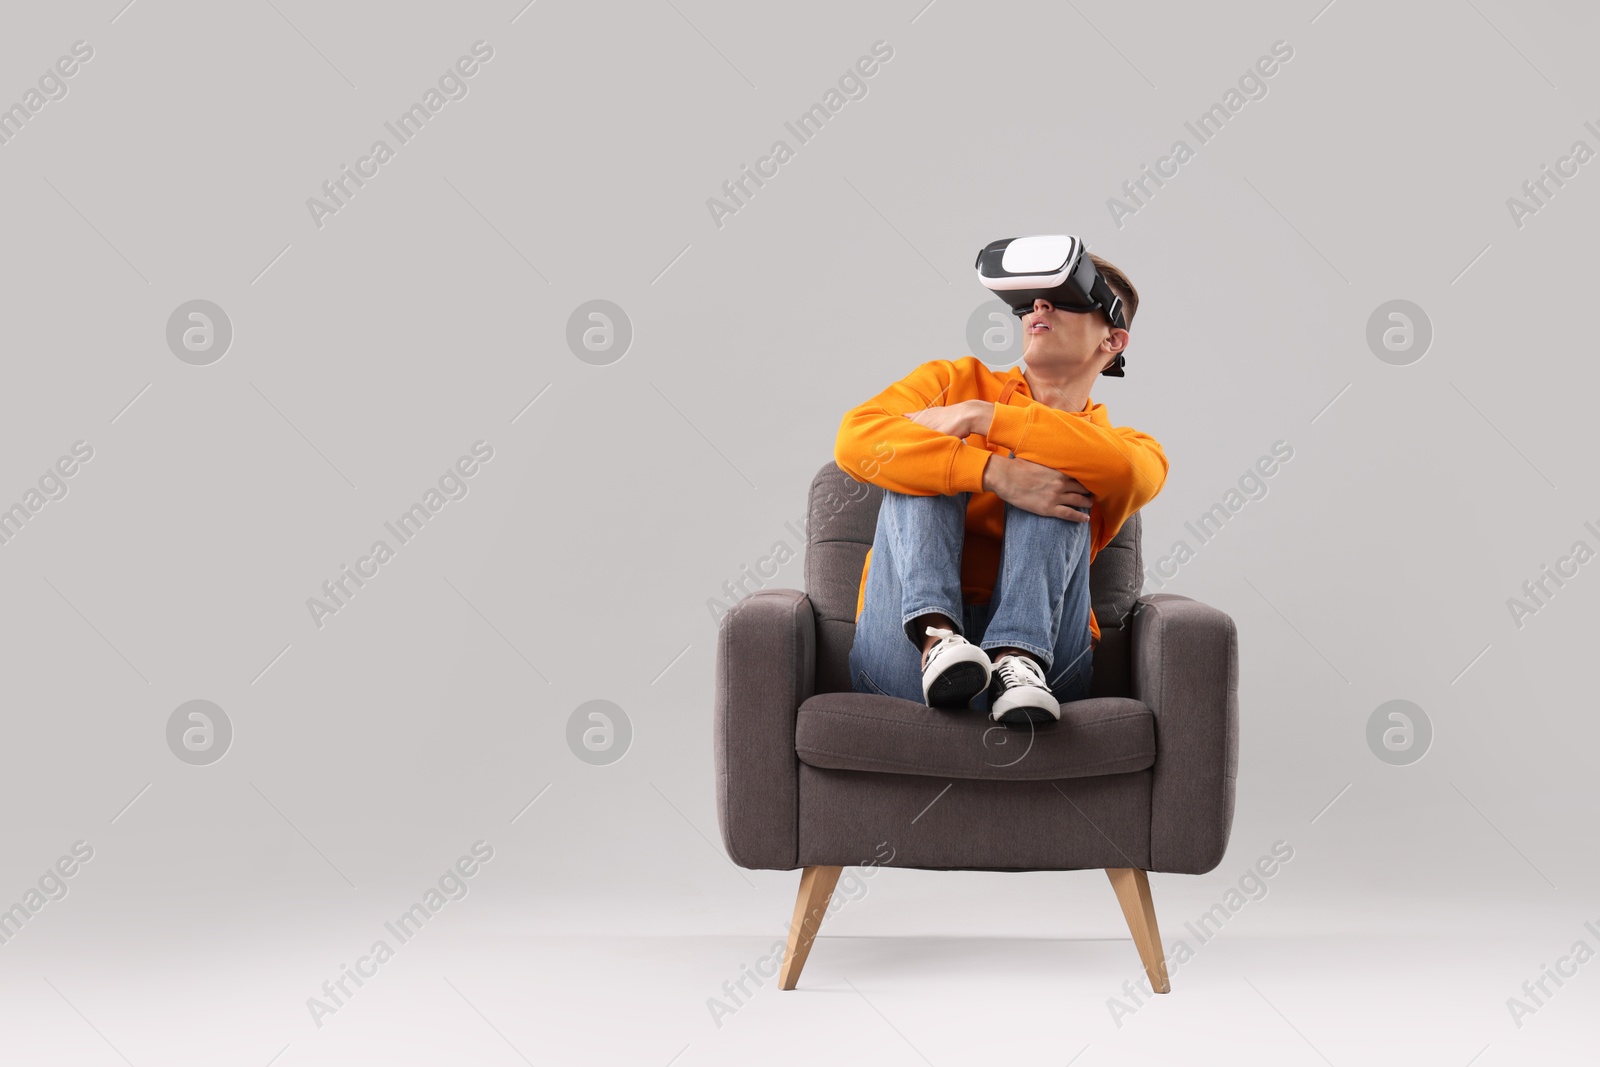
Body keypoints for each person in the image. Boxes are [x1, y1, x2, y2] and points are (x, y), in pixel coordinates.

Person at [834, 253, 1167, 724]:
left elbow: (1135, 472)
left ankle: (1018, 657)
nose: (1039, 308)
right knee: (921, 454)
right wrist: (991, 472)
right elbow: (856, 441)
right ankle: (938, 636)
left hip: (1048, 665)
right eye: (1034, 300)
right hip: (903, 656)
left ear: (1112, 340)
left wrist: (981, 416)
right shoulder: (950, 382)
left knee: (1061, 461)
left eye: (1065, 301)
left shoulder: (1123, 446)